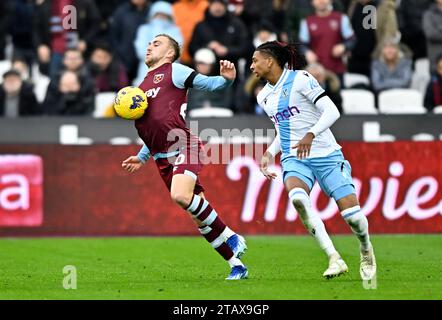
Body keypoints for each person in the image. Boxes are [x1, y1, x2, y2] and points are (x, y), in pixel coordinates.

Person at [121, 34, 248, 280]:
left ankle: (231, 236)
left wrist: (227, 80)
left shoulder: (174, 71)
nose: (149, 46)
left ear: (170, 53)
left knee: (180, 196)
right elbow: (152, 126)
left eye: (156, 43)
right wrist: (141, 156)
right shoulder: (140, 86)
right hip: (162, 159)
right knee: (199, 217)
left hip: (184, 145)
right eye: (149, 43)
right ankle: (236, 266)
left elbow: (210, 84)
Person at [250, 41, 376, 280]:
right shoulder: (263, 96)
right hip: (294, 158)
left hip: (327, 155)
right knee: (298, 199)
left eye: (255, 60)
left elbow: (332, 111)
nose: (252, 66)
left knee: (354, 218)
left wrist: (311, 134)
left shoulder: (301, 79)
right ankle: (333, 257)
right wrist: (268, 153)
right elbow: (283, 130)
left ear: (269, 61)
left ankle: (365, 247)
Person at [299, 0, 356, 86]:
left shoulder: (341, 18)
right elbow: (302, 45)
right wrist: (307, 52)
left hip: (336, 70)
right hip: (316, 73)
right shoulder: (307, 22)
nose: (321, 1)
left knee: (336, 98)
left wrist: (344, 46)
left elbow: (352, 40)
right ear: (312, 2)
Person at [134, 1, 183, 85]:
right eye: (158, 15)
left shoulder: (175, 31)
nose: (161, 18)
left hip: (170, 71)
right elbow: (141, 50)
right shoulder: (144, 29)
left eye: (164, 15)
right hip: (146, 70)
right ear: (152, 15)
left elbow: (176, 50)